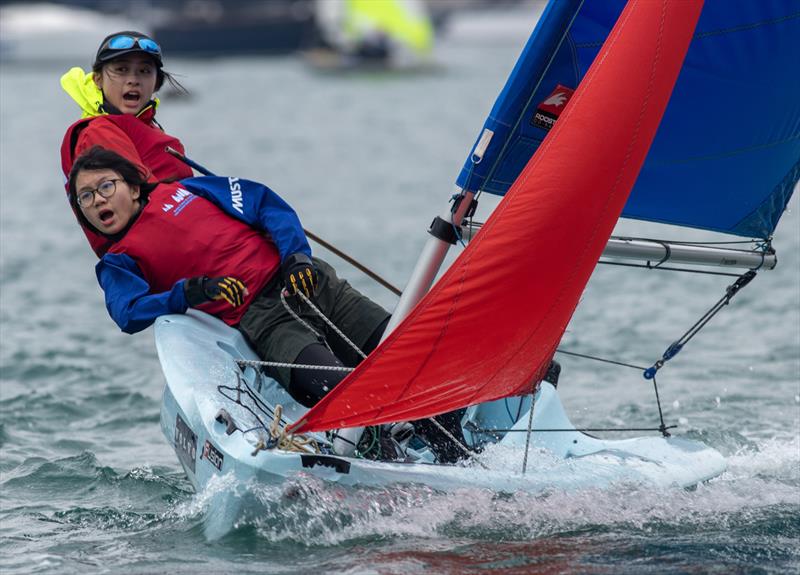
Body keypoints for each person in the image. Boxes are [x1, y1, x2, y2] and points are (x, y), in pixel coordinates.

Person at [60, 31, 191, 258]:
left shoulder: (143, 128)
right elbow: (142, 209)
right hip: (160, 259)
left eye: (144, 71)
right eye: (121, 70)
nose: (133, 79)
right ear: (97, 79)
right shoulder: (98, 132)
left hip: (178, 247)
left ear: (157, 82)